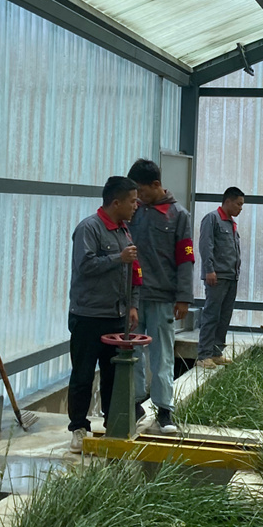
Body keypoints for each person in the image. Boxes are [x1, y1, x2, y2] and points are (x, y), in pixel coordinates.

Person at [66, 176, 141, 452]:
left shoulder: (124, 231)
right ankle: (78, 428)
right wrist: (118, 258)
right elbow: (85, 266)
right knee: (83, 375)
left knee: (113, 375)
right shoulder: (89, 228)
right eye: (132, 201)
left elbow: (134, 270)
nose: (136, 206)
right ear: (116, 203)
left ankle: (115, 425)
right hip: (88, 317)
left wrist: (132, 305)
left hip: (115, 316)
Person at [126, 158, 193, 434]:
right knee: (130, 352)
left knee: (162, 355)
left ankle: (164, 410)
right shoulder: (133, 212)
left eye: (141, 191)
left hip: (163, 298)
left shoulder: (179, 216)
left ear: (156, 185)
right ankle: (133, 403)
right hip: (133, 297)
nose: (137, 197)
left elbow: (186, 258)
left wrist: (183, 297)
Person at [197, 187, 244, 369]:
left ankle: (216, 352)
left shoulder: (231, 223)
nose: (240, 208)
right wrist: (209, 270)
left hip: (231, 276)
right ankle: (204, 355)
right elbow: (206, 245)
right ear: (228, 201)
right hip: (217, 276)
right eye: (238, 204)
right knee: (211, 314)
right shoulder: (212, 219)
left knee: (224, 315)